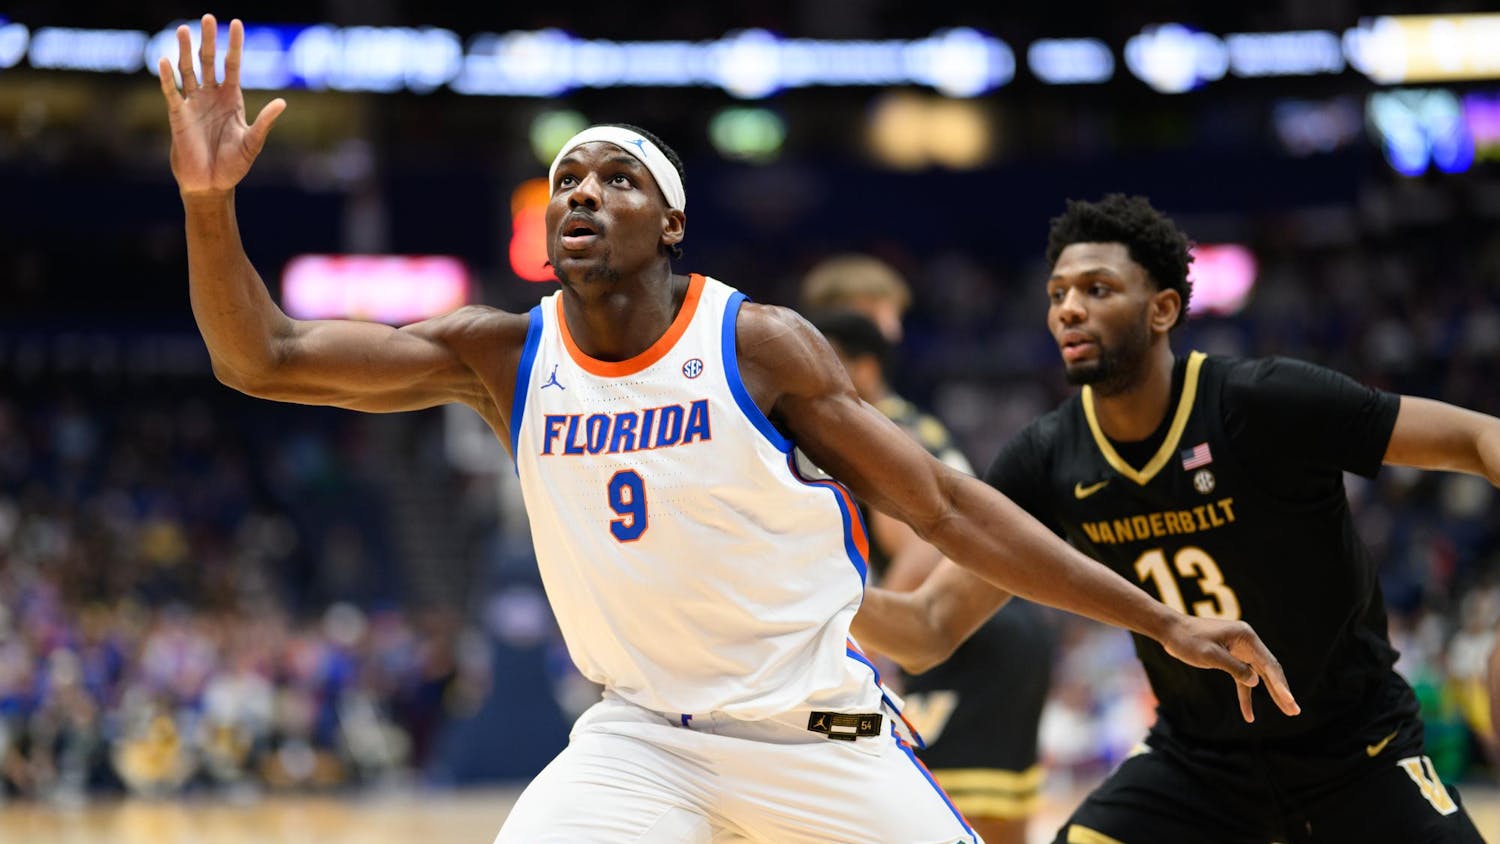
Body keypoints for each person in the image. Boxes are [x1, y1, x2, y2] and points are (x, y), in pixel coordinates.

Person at [158, 20, 1298, 842]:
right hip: (641, 737)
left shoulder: (762, 347)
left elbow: (945, 509)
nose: (582, 194)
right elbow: (260, 357)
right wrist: (211, 208)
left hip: (820, 738)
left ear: (672, 226)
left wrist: (1161, 620)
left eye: (616, 177)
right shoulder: (502, 353)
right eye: (566, 180)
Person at [851, 194, 1496, 843]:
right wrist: (800, 589)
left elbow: (1474, 437)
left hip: (1354, 750)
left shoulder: (1262, 400)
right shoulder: (1045, 458)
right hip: (1198, 768)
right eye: (1057, 294)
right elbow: (929, 626)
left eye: (1097, 289)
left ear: (1162, 309)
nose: (1068, 308)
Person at [807, 303, 1057, 844]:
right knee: (979, 821)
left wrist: (871, 641)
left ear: (864, 369)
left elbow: (924, 552)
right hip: (988, 627)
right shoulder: (910, 422)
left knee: (948, 816)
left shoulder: (873, 433)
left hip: (971, 635)